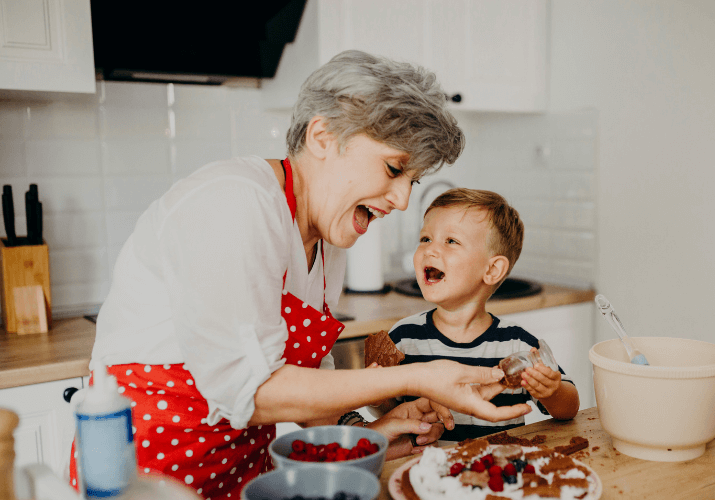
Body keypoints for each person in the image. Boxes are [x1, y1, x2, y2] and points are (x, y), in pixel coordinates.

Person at [68, 51, 530, 499]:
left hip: (245, 475)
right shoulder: (234, 204)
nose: (403, 199)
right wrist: (419, 377)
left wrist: (370, 435)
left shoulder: (327, 240)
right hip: (146, 480)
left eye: (411, 180)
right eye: (394, 168)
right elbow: (254, 391)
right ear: (323, 136)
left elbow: (307, 385)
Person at [379, 188, 580, 441]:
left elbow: (570, 408)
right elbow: (387, 413)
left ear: (493, 270)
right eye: (426, 239)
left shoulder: (516, 344)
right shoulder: (402, 338)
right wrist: (380, 395)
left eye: (451, 241)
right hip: (424, 473)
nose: (430, 250)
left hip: (497, 472)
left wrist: (551, 391)